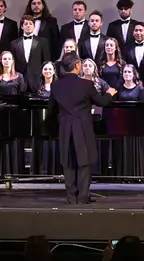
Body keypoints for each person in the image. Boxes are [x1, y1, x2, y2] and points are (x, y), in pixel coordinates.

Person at [49, 53, 116, 204]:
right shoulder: (86, 85)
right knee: (84, 161)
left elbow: (51, 110)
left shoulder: (56, 85)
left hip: (65, 127)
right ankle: (83, 197)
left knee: (68, 162)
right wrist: (109, 93)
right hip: (82, 128)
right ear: (77, 65)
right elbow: (102, 102)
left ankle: (71, 197)